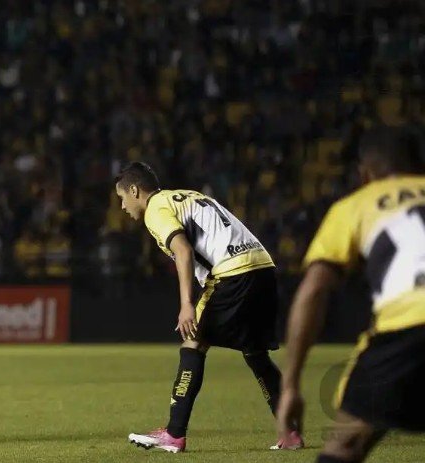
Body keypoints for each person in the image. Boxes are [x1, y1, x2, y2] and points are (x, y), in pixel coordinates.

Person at [116, 161, 303, 453]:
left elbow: (183, 251)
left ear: (135, 190)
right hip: (263, 268)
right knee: (256, 354)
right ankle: (290, 433)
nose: (123, 206)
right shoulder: (186, 195)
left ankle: (174, 433)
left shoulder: (156, 208)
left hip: (233, 273)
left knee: (193, 342)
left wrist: (186, 304)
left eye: (122, 198)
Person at [277, 127, 425, 463]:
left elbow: (313, 290)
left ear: (364, 173)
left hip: (407, 329)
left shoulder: (356, 205)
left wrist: (290, 387)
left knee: (344, 448)